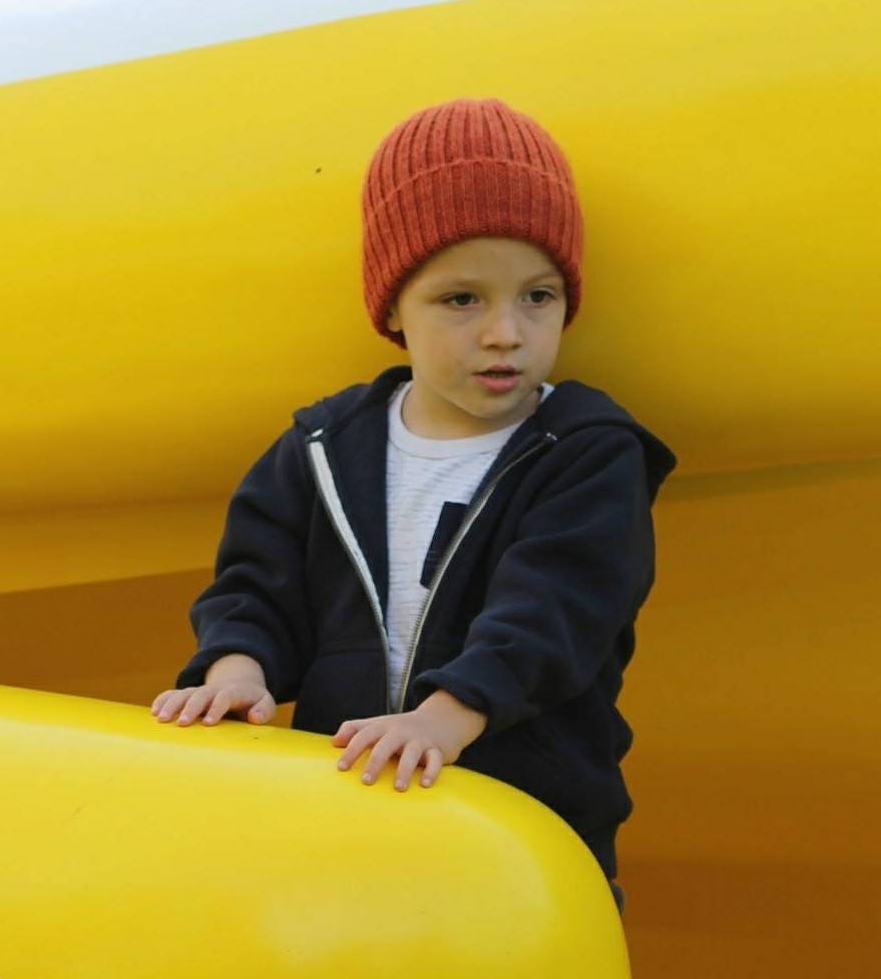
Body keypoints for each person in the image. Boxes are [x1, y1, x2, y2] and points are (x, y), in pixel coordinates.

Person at [150, 96, 678, 919]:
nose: (505, 332)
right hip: (348, 832)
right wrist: (236, 672)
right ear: (393, 306)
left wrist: (446, 718)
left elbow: (556, 614)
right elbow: (255, 587)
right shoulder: (321, 449)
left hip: (528, 845)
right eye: (461, 300)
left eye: (537, 297)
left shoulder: (587, 451)